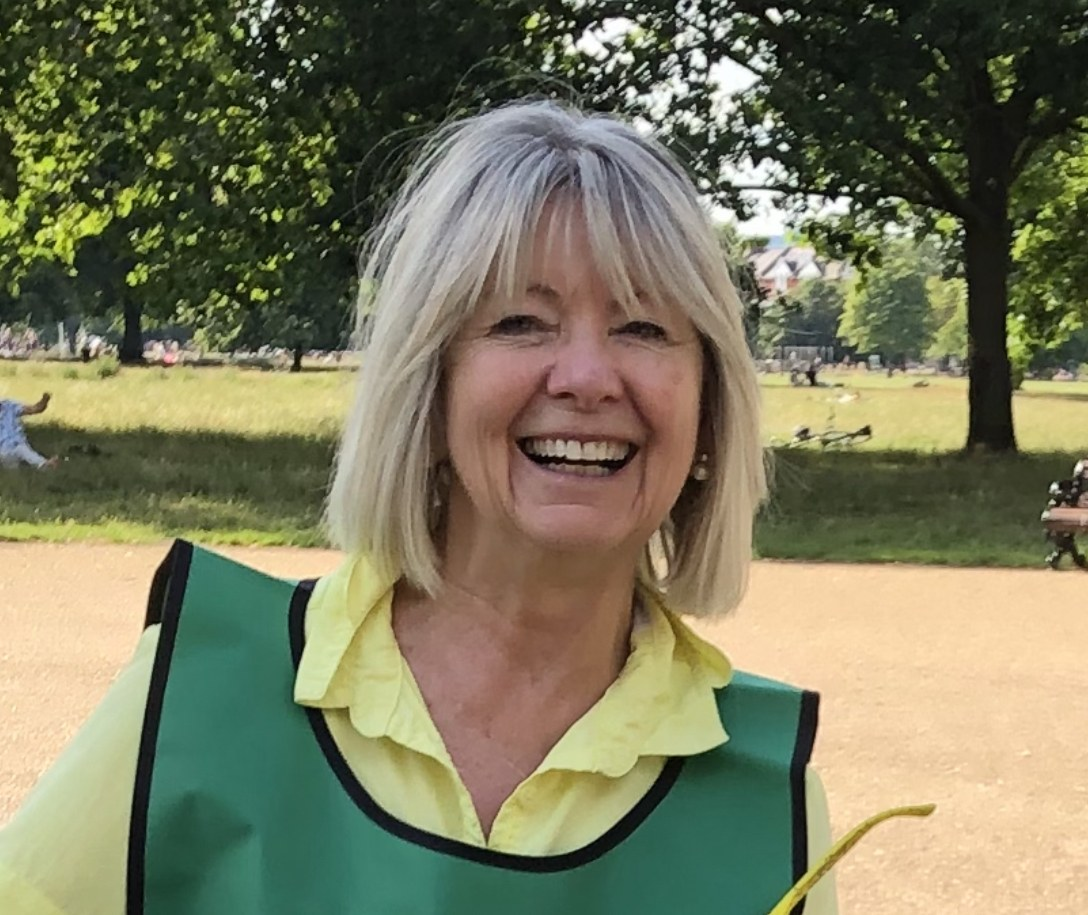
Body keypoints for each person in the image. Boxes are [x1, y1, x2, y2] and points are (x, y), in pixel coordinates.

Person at [0, 101, 931, 914]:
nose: (586, 378)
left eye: (644, 327)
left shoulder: (764, 799)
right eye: (520, 321)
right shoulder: (200, 697)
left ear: (709, 405)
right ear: (429, 382)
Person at [0, 392, 57, 469]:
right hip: (3, 449)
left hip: (19, 443)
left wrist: (44, 401)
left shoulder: (9, 406)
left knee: (23, 451)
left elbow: (35, 409)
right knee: (12, 469)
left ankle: (44, 464)